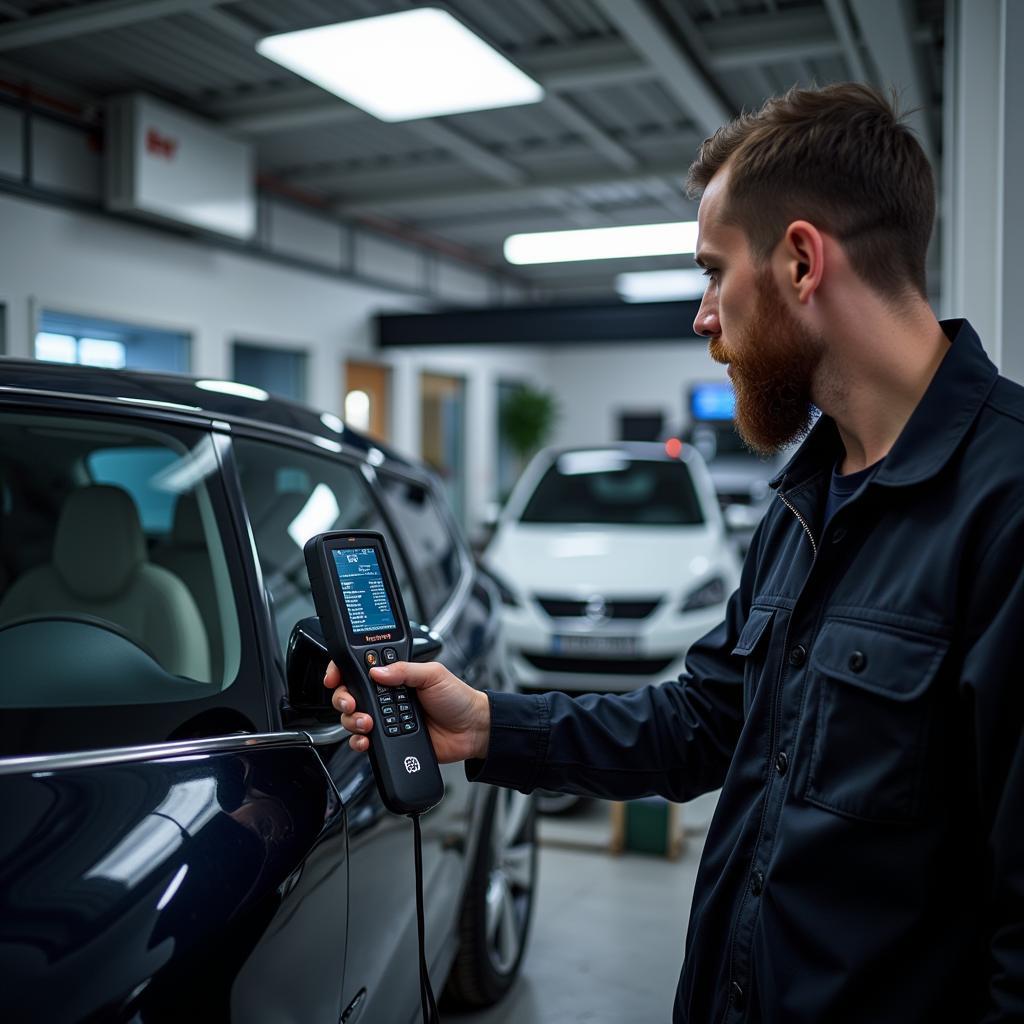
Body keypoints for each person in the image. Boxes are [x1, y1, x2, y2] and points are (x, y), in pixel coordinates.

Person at [326, 83, 1024, 1022]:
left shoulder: (1009, 506)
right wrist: (487, 726)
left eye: (712, 271)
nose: (703, 317)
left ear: (801, 261)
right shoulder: (807, 501)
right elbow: (705, 724)